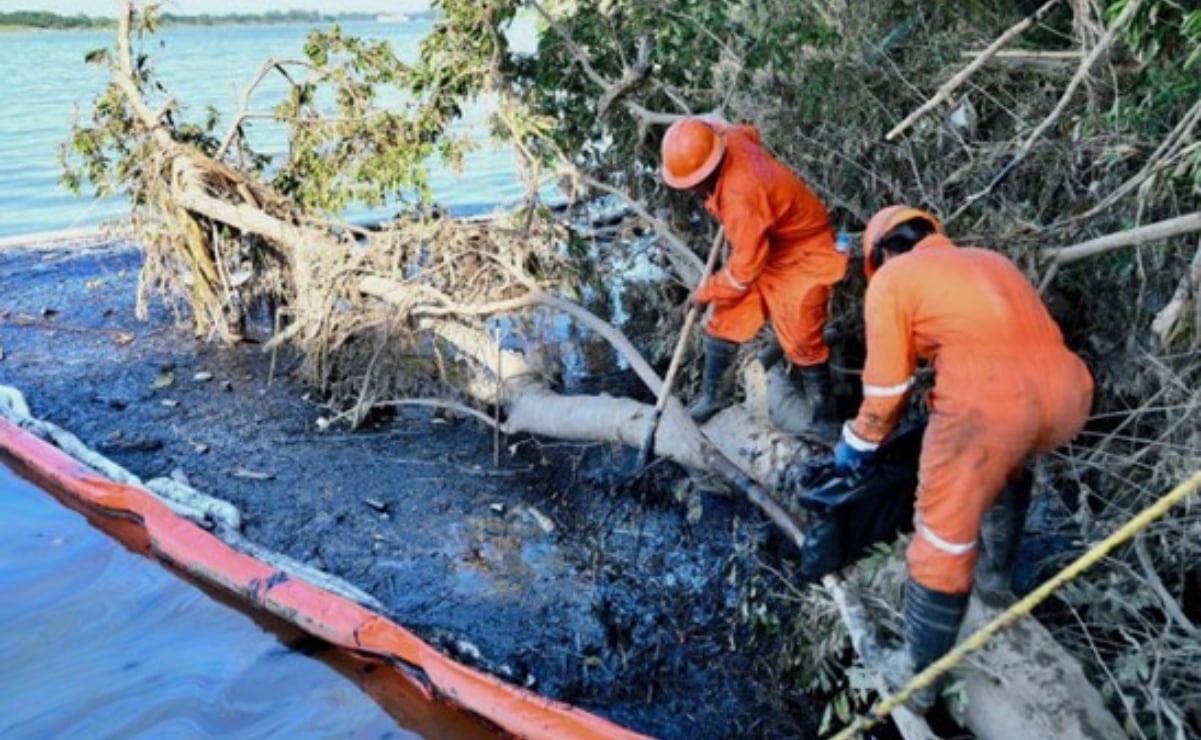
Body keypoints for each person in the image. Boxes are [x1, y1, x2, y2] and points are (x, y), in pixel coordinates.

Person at [831, 205, 1094, 711]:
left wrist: (857, 445)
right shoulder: (990, 260)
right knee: (1008, 469)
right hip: (1069, 395)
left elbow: (887, 390)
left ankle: (919, 681)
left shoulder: (893, 280)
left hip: (990, 406)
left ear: (884, 252)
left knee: (941, 539)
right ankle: (995, 585)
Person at [660, 117, 848, 431]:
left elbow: (742, 273)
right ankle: (714, 397)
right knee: (725, 319)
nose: (691, 191)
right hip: (769, 242)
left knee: (802, 340)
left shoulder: (740, 197)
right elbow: (750, 132)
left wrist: (703, 293)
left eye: (692, 184)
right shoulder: (726, 136)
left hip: (803, 252)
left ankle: (825, 421)